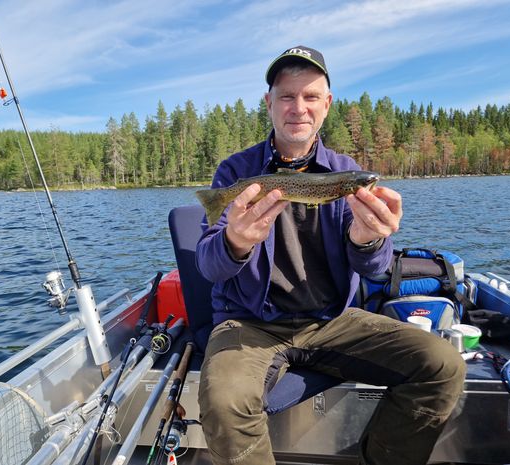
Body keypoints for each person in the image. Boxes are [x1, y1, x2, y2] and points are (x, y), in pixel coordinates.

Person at [195, 45, 465, 465]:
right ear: (269, 103)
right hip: (250, 323)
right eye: (287, 96)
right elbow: (208, 265)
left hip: (332, 322)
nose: (298, 108)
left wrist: (367, 239)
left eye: (311, 96)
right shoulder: (237, 172)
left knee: (442, 365)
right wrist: (236, 242)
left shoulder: (344, 171)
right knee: (224, 402)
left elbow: (376, 269)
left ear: (327, 104)